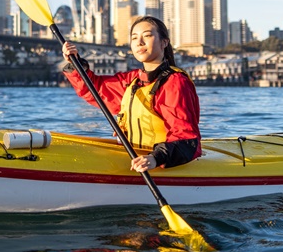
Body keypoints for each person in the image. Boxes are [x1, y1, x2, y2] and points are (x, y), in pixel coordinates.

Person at [62, 15, 201, 173]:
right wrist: (76, 63)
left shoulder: (175, 82)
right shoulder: (132, 81)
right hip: (135, 157)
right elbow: (95, 90)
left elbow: (185, 136)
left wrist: (155, 158)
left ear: (164, 42)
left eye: (147, 36)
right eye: (134, 38)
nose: (139, 42)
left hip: (162, 160)